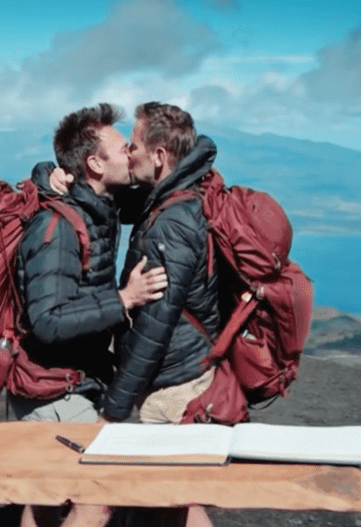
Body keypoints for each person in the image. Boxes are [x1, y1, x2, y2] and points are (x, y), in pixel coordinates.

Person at [13, 102, 168, 527]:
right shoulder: (59, 227)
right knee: (99, 501)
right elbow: (47, 320)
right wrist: (124, 299)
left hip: (67, 383)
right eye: (124, 148)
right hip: (53, 393)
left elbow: (165, 184)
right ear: (95, 163)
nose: (133, 153)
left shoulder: (106, 205)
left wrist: (44, 171)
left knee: (43, 501)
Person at [100, 102, 222, 527]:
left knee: (163, 505)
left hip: (173, 389)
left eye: (133, 146)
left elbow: (155, 327)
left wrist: (113, 408)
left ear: (160, 155)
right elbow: (116, 201)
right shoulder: (185, 196)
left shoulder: (169, 222)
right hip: (190, 373)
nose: (128, 154)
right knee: (181, 501)